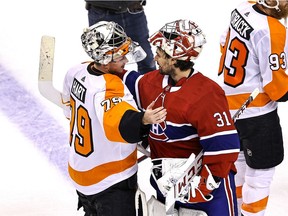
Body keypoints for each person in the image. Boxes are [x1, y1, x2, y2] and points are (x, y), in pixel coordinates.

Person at [121, 19, 240, 216]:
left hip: (204, 191)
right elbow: (127, 80)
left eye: (160, 53)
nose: (155, 57)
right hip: (165, 184)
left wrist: (204, 186)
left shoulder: (206, 94)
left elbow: (225, 148)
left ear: (174, 58)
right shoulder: (152, 82)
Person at [61, 21, 167, 216]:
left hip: (80, 171)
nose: (126, 60)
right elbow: (120, 127)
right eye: (120, 56)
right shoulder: (110, 86)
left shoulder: (76, 71)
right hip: (110, 182)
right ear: (105, 59)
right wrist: (143, 119)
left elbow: (68, 109)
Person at [217, 0, 288, 215]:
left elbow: (223, 43)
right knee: (260, 175)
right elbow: (280, 91)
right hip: (257, 115)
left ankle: (237, 212)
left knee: (239, 169)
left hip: (227, 105)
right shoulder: (272, 30)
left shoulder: (242, 8)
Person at [84, 0, 156, 74]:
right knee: (105, 64)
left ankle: (150, 85)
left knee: (147, 62)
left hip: (133, 9)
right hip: (102, 11)